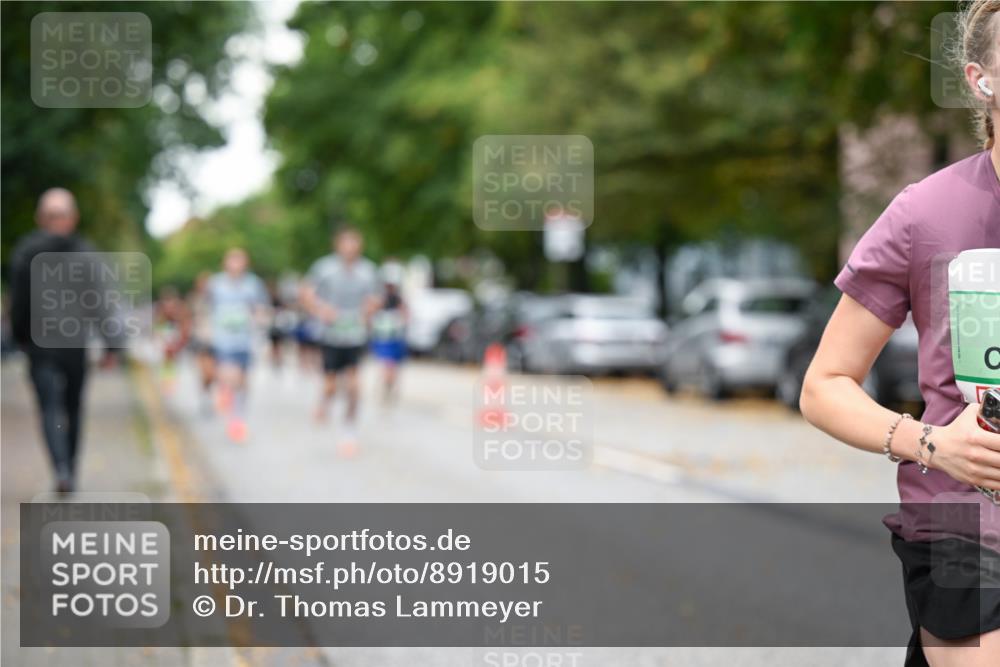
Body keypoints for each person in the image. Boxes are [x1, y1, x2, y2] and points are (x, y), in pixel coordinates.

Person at [801, 4, 1000, 665]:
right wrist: (933, 444)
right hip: (963, 526)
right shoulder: (926, 214)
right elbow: (824, 385)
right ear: (982, 80)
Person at [8, 188, 122, 493]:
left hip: (46, 345)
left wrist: (19, 337)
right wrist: (112, 343)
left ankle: (61, 468)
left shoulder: (26, 251)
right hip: (65, 344)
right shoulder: (83, 252)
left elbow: (18, 304)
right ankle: (67, 468)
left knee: (52, 408)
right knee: (69, 408)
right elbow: (100, 300)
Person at [301, 225, 381, 456]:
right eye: (345, 243)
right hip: (331, 335)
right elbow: (306, 293)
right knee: (330, 386)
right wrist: (320, 309)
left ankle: (349, 432)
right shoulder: (324, 268)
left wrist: (369, 309)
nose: (350, 248)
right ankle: (324, 402)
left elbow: (376, 299)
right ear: (338, 245)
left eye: (354, 243)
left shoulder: (368, 270)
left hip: (355, 335)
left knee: (355, 387)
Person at [207, 248, 269, 443]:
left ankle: (238, 419)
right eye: (232, 261)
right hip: (223, 339)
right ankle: (224, 391)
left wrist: (259, 320)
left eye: (239, 261)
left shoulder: (253, 284)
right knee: (229, 375)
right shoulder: (215, 284)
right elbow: (207, 308)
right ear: (225, 263)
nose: (236, 265)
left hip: (245, 339)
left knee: (243, 382)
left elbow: (261, 308)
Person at [370, 263, 409, 404]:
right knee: (388, 364)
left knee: (391, 364)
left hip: (393, 336)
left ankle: (389, 386)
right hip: (384, 337)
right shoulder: (381, 298)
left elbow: (405, 315)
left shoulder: (396, 299)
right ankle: (387, 386)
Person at [187, 271, 216, 415]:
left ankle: (208, 395)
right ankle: (205, 398)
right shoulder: (194, 300)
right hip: (199, 339)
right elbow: (186, 319)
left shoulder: (217, 299)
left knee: (213, 373)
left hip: (215, 340)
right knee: (205, 373)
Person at [153, 285, 190, 394]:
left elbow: (185, 336)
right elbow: (157, 336)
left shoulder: (182, 317)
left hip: (178, 357)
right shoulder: (159, 318)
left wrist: (175, 347)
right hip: (165, 358)